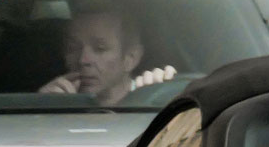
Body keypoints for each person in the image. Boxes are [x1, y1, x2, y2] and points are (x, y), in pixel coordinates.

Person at [38, 10, 174, 107]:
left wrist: (162, 97)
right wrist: (42, 108)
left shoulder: (155, 97)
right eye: (73, 48)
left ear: (130, 58)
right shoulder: (56, 103)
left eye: (100, 48)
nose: (83, 60)